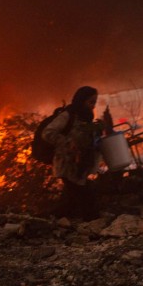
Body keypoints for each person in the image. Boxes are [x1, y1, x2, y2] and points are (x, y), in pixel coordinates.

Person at [41, 85, 109, 221]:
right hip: (66, 165)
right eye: (90, 102)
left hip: (79, 166)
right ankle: (92, 224)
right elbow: (47, 133)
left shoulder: (86, 119)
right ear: (81, 100)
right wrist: (67, 143)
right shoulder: (68, 115)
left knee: (72, 201)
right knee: (85, 197)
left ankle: (52, 221)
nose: (93, 106)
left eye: (94, 103)